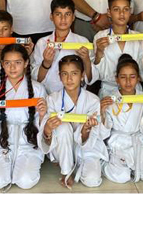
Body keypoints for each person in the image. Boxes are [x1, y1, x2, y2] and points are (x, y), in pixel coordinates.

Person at [0, 44, 48, 190]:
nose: (12, 67)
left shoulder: (38, 89)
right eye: (7, 63)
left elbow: (42, 125)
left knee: (25, 181)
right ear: (2, 64)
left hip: (28, 140)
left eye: (17, 63)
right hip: (2, 140)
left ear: (26, 63)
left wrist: (43, 114)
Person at [40, 55, 105, 188]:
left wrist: (86, 129)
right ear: (59, 76)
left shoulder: (93, 100)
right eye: (65, 74)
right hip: (61, 148)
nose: (69, 79)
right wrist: (47, 128)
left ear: (82, 75)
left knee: (91, 181)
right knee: (63, 127)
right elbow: (47, 138)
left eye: (74, 74)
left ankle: (85, 163)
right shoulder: (52, 99)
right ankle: (66, 171)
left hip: (86, 148)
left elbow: (93, 136)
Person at [100, 54, 143, 183]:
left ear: (138, 78)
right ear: (116, 79)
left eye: (132, 77)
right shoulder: (110, 100)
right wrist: (103, 113)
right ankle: (105, 165)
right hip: (118, 143)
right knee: (122, 177)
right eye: (123, 77)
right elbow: (103, 133)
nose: (128, 82)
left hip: (139, 140)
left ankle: (133, 166)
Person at [93, 0, 143, 97]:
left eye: (126, 9)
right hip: (108, 93)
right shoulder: (100, 37)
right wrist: (99, 53)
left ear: (131, 11)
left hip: (135, 92)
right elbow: (97, 76)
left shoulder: (139, 38)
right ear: (109, 12)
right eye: (116, 9)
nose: (121, 13)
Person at [31, 0, 97, 94]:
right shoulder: (42, 43)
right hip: (49, 96)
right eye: (58, 14)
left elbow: (90, 79)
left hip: (76, 96)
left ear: (74, 17)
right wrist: (46, 63)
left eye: (67, 14)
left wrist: (86, 60)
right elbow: (37, 80)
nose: (63, 19)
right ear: (51, 16)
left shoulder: (83, 42)